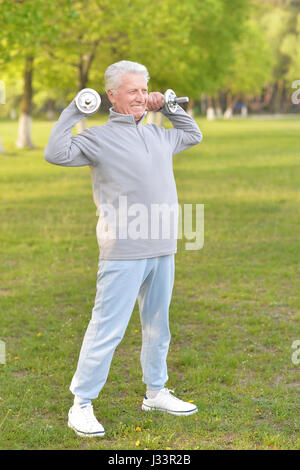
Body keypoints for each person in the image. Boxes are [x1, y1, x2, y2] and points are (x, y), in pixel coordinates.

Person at [44, 60, 203, 438]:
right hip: (123, 249)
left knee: (157, 325)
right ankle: (81, 403)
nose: (139, 96)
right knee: (107, 330)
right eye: (131, 90)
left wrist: (167, 105)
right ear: (111, 95)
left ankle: (155, 391)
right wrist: (75, 108)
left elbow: (194, 134)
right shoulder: (96, 138)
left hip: (162, 247)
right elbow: (54, 152)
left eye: (143, 89)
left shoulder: (160, 134)